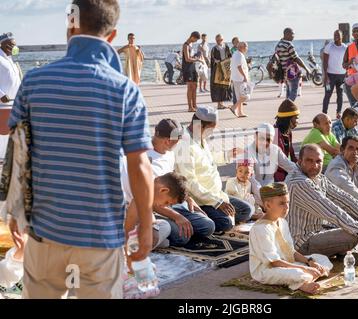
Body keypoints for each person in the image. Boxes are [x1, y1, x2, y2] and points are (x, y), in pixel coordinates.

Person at [8, 0, 154, 299]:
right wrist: (146, 224)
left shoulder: (34, 81)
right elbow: (140, 165)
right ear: (112, 36)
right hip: (100, 234)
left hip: (44, 230)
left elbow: (17, 153)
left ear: (70, 24)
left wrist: (14, 210)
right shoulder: (125, 90)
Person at [121, 119, 215, 247]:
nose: (179, 144)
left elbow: (172, 180)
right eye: (178, 141)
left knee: (207, 226)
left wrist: (188, 198)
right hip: (151, 206)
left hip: (168, 202)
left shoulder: (169, 154)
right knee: (180, 236)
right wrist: (175, 217)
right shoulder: (142, 157)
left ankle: (158, 237)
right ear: (168, 141)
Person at [285, 144, 358, 260]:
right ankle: (343, 250)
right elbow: (330, 210)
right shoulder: (298, 182)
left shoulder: (318, 177)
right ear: (299, 161)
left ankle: (342, 250)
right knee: (354, 234)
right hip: (301, 243)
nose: (315, 165)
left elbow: (343, 197)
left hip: (318, 229)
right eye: (309, 161)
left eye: (318, 161)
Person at [174, 106, 253, 232]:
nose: (212, 132)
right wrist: (217, 203)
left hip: (216, 195)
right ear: (200, 125)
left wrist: (227, 155)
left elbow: (208, 159)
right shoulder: (184, 145)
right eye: (211, 129)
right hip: (201, 200)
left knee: (247, 210)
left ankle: (222, 216)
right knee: (225, 222)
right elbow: (190, 183)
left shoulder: (199, 137)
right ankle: (199, 217)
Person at [249, 182, 332, 295]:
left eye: (288, 202)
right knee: (297, 273)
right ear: (268, 205)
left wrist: (310, 262)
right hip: (268, 270)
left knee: (322, 259)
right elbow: (274, 262)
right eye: (282, 203)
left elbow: (291, 251)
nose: (287, 207)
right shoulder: (261, 229)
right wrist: (305, 269)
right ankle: (302, 283)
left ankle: (305, 279)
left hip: (288, 263)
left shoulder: (282, 222)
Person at [243, 123, 297, 206]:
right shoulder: (247, 152)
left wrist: (304, 174)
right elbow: (251, 180)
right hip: (252, 195)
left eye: (269, 140)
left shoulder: (275, 150)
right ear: (255, 136)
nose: (265, 142)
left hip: (271, 193)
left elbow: (290, 166)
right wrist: (266, 196)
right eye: (262, 138)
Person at [0, 32, 21, 160]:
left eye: (15, 45)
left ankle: (7, 157)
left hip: (14, 103)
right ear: (2, 44)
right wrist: (1, 94)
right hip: (2, 104)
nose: (14, 47)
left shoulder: (10, 60)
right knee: (2, 130)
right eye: (12, 45)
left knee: (10, 131)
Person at [275, 28, 310, 102]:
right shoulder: (289, 44)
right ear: (286, 34)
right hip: (292, 71)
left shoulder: (278, 45)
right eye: (292, 34)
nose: (293, 36)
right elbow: (296, 58)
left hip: (284, 72)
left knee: (288, 91)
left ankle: (287, 108)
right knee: (294, 91)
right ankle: (288, 106)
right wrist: (306, 68)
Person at [322, 31, 347, 119]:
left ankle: (338, 112)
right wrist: (326, 76)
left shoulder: (345, 47)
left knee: (340, 94)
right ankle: (324, 113)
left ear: (342, 36)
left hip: (341, 76)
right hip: (330, 76)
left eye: (338, 35)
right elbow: (325, 62)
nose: (336, 36)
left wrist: (347, 75)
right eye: (334, 35)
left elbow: (347, 62)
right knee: (327, 95)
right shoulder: (329, 47)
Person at [274, 100, 300, 182]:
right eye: (296, 118)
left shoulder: (288, 132)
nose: (297, 121)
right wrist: (297, 170)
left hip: (288, 170)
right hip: (277, 176)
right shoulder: (274, 135)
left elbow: (292, 155)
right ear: (288, 119)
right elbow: (280, 163)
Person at [210, 34, 233, 110]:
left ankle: (222, 103)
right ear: (216, 40)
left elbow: (230, 56)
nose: (219, 41)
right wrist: (219, 62)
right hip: (218, 69)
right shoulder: (214, 48)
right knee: (218, 86)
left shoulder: (226, 47)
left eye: (221, 40)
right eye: (218, 40)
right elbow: (213, 59)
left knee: (224, 86)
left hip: (225, 68)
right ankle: (219, 104)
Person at [182, 31, 202, 112]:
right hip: (187, 68)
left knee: (195, 86)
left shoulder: (191, 45)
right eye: (196, 39)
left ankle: (195, 105)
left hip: (193, 67)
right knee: (190, 87)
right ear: (192, 37)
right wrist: (197, 59)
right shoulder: (185, 45)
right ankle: (190, 107)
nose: (196, 41)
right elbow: (187, 58)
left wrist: (196, 56)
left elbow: (191, 57)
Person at [230, 42, 250, 118]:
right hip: (240, 79)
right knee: (245, 96)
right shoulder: (239, 55)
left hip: (236, 78)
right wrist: (245, 76)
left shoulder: (235, 54)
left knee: (240, 97)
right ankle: (234, 107)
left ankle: (240, 112)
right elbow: (239, 67)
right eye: (246, 47)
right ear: (242, 47)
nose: (247, 48)